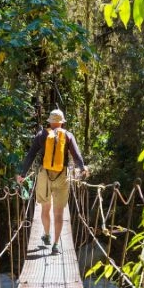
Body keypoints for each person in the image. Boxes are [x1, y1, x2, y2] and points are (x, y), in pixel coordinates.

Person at [16, 109, 88, 254]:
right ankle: (56, 245)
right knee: (59, 212)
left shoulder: (42, 135)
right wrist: (82, 169)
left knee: (45, 208)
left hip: (45, 175)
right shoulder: (68, 135)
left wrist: (23, 174)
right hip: (62, 175)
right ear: (62, 122)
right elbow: (77, 156)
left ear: (49, 121)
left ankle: (47, 235)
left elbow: (30, 155)